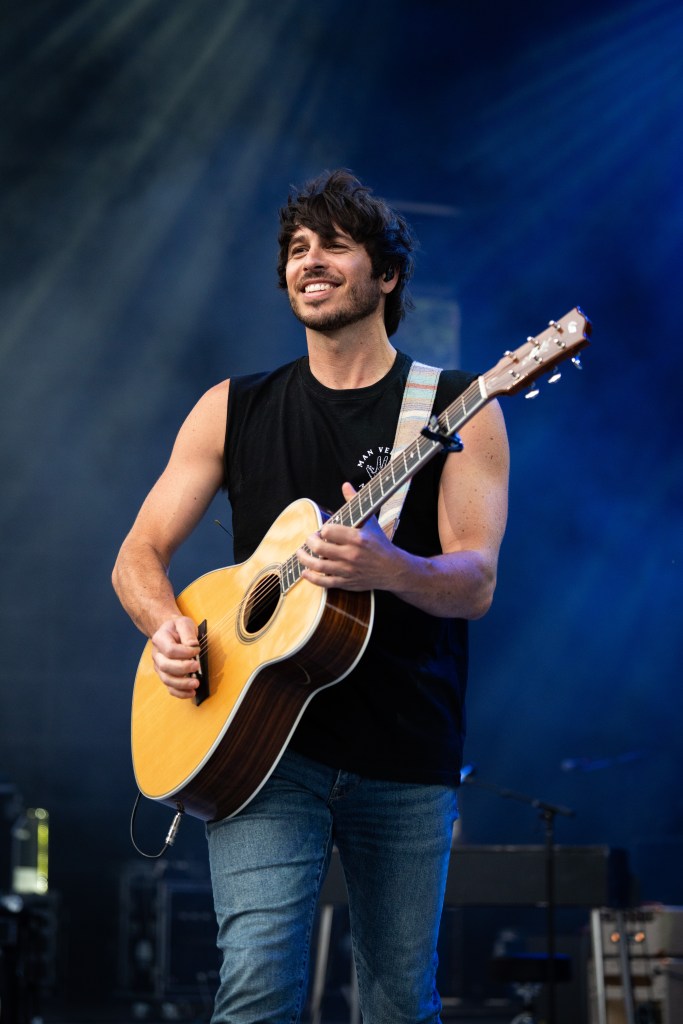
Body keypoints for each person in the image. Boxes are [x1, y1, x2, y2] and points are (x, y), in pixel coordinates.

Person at [112, 169, 509, 1024]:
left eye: (334, 245)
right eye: (297, 249)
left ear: (386, 275)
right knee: (255, 989)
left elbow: (474, 581)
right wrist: (167, 626)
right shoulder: (232, 407)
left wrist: (390, 568)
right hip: (257, 750)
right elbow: (136, 555)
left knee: (398, 1002)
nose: (309, 261)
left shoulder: (457, 406)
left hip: (404, 747)